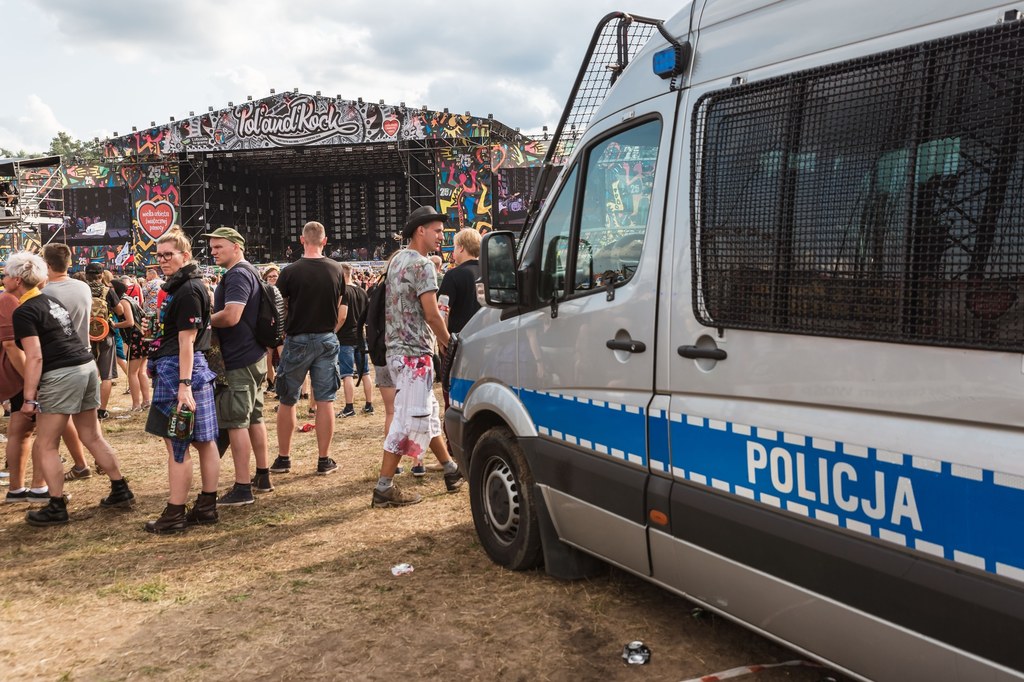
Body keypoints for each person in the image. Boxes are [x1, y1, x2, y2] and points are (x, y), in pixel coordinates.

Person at [7, 251, 135, 526]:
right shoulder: (50, 301)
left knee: (46, 443)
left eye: (5, 275)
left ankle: (56, 505)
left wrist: (29, 397)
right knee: (92, 435)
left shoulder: (25, 311)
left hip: (60, 373)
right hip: (85, 366)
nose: (3, 279)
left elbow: (35, 356)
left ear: (17, 280)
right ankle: (120, 488)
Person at [372, 206, 464, 507]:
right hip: (415, 355)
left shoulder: (397, 259)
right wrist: (449, 343)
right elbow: (432, 314)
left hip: (398, 352)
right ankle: (384, 487)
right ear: (420, 230)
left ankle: (451, 470)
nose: (441, 236)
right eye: (437, 230)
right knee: (409, 419)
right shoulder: (423, 265)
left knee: (425, 412)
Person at [143, 228, 220, 534]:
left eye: (168, 255)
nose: (162, 260)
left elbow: (187, 342)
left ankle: (175, 513)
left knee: (178, 444)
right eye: (159, 255)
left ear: (185, 256)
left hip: (180, 369)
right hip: (188, 368)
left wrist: (183, 386)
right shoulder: (188, 284)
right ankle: (206, 506)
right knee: (204, 440)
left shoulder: (188, 288)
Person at [268, 221, 345, 477]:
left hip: (297, 338)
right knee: (325, 401)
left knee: (287, 400)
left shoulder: (289, 272)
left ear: (302, 240)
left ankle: (283, 458)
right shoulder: (336, 269)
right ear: (325, 241)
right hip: (326, 337)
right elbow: (339, 303)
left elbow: (280, 306)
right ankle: (324, 460)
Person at [204, 227, 272, 505]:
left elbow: (232, 316)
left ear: (236, 247)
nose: (213, 251)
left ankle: (243, 487)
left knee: (235, 424)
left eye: (219, 246)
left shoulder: (237, 275)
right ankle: (262, 475)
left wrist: (203, 320)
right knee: (254, 418)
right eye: (212, 247)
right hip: (252, 355)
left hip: (239, 359)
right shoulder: (249, 271)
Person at [40, 243, 99, 480]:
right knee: (90, 423)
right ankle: (98, 460)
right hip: (85, 355)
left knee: (60, 417)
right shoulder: (83, 287)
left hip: (59, 360)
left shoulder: (46, 294)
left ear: (46, 264)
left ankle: (80, 463)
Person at [0, 271, 48, 504]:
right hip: (18, 375)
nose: (3, 277)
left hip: (15, 375)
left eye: (6, 273)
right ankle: (38, 487)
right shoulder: (8, 299)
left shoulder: (14, 299)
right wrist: (32, 381)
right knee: (42, 430)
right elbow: (10, 344)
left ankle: (17, 489)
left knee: (20, 431)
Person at [85, 262, 128, 420]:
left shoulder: (81, 290)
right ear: (101, 275)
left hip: (86, 336)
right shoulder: (107, 291)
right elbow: (120, 310)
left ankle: (89, 407)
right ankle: (102, 410)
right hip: (105, 335)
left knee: (88, 373)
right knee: (106, 375)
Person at [335, 263, 374, 419]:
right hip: (360, 336)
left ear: (342, 275)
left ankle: (349, 407)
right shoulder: (361, 291)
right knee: (365, 372)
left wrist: (334, 331)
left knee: (347, 374)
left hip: (345, 337)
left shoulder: (343, 292)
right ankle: (369, 405)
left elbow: (342, 315)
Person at [110, 279, 150, 411]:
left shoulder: (123, 301)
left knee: (132, 373)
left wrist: (115, 325)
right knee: (141, 372)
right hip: (143, 337)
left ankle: (136, 404)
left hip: (135, 338)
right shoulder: (129, 299)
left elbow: (130, 322)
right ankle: (146, 401)